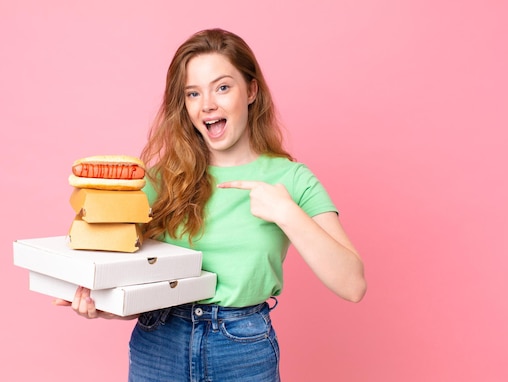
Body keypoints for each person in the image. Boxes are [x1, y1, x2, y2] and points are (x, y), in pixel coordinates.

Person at [55, 28, 367, 381]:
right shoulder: (160, 181)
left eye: (222, 87)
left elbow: (353, 284)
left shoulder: (292, 180)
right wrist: (108, 305)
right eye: (193, 93)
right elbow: (135, 272)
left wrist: (287, 213)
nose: (207, 105)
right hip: (159, 341)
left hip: (242, 349)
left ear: (251, 91)